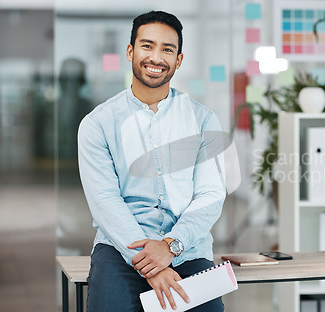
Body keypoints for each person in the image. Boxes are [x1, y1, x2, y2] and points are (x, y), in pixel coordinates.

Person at [77, 10, 226, 312]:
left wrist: (171, 246)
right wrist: (152, 264)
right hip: (120, 249)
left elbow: (211, 195)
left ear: (178, 60)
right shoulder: (98, 124)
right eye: (147, 46)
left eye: (167, 49)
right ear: (131, 51)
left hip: (187, 250)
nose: (156, 57)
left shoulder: (203, 121)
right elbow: (105, 200)